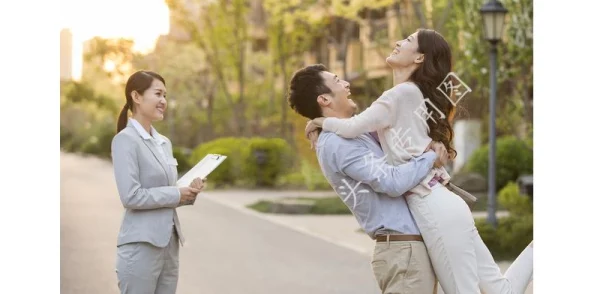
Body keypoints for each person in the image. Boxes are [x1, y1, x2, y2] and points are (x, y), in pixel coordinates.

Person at [304, 29, 533, 294]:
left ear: (419, 58)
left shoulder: (398, 96)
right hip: (445, 201)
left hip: (432, 204)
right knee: (500, 290)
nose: (398, 42)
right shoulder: (408, 96)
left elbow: (353, 127)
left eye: (408, 41)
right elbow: (370, 135)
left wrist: (319, 121)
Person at [288, 64, 454, 293]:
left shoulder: (350, 133)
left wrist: (318, 122)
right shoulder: (337, 144)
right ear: (324, 99)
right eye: (338, 81)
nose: (346, 84)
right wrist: (429, 158)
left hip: (409, 248)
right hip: (403, 251)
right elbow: (391, 182)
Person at [111, 70, 203, 294]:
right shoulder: (125, 140)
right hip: (141, 247)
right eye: (158, 94)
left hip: (169, 245)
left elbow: (169, 193)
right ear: (137, 96)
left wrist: (188, 192)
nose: (164, 101)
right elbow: (131, 196)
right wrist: (176, 194)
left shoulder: (164, 142)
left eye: (165, 96)